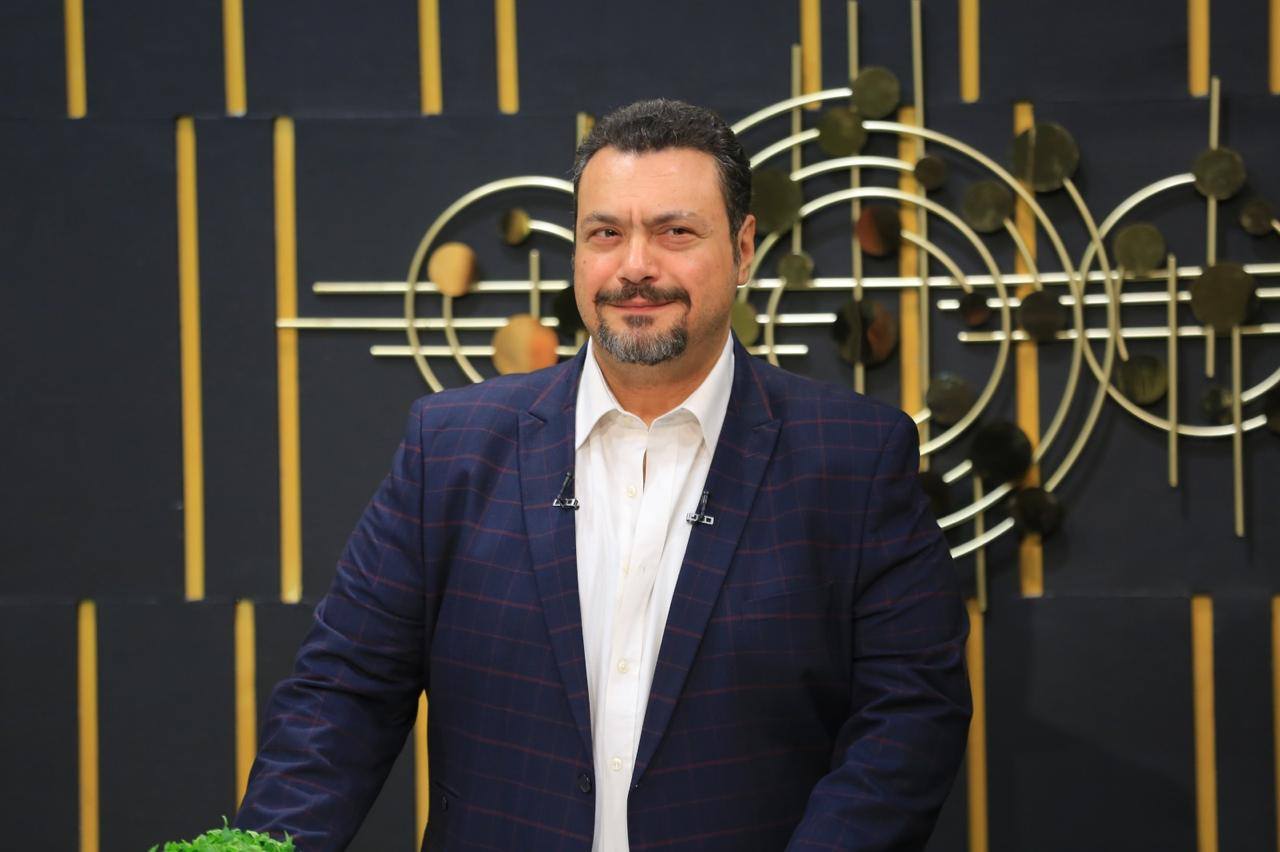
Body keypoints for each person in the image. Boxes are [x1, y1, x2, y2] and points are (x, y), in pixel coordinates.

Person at [235, 98, 970, 851]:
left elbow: (909, 715)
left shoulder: (854, 457)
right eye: (605, 233)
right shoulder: (450, 448)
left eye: (675, 232)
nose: (635, 266)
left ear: (743, 248)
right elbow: (343, 693)